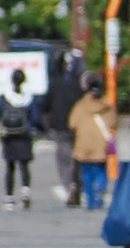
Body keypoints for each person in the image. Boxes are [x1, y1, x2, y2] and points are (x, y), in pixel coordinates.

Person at [0, 69, 38, 212]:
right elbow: (36, 118)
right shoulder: (29, 98)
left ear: (12, 80)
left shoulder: (4, 98)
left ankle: (9, 198)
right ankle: (25, 192)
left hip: (9, 136)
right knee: (24, 166)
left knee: (10, 167)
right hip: (24, 136)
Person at [71, 75, 116, 211]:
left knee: (86, 172)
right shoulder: (107, 106)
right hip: (100, 144)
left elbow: (72, 123)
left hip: (84, 144)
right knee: (100, 170)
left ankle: (90, 200)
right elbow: (113, 123)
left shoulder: (81, 105)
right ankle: (99, 195)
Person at [45, 51, 84, 205]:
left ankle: (70, 185)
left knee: (63, 158)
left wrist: (46, 123)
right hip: (78, 125)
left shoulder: (55, 82)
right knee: (78, 157)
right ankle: (77, 184)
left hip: (60, 124)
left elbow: (46, 105)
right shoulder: (78, 84)